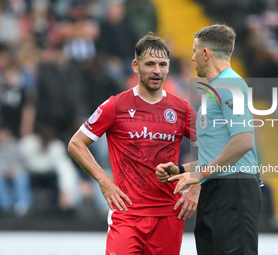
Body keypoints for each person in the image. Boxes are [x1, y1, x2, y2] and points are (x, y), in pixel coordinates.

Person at [68, 33, 200, 255]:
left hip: (169, 213)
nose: (157, 70)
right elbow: (75, 143)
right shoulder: (115, 106)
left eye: (162, 64)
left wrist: (196, 185)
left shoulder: (182, 109)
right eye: (150, 64)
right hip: (127, 213)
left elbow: (212, 151)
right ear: (136, 66)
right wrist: (104, 180)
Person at [156, 24, 262, 255]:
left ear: (206, 53)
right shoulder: (215, 89)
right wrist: (182, 169)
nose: (192, 58)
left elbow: (244, 141)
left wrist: (201, 173)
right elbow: (216, 154)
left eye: (195, 51)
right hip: (215, 188)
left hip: (234, 190)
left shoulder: (230, 85)